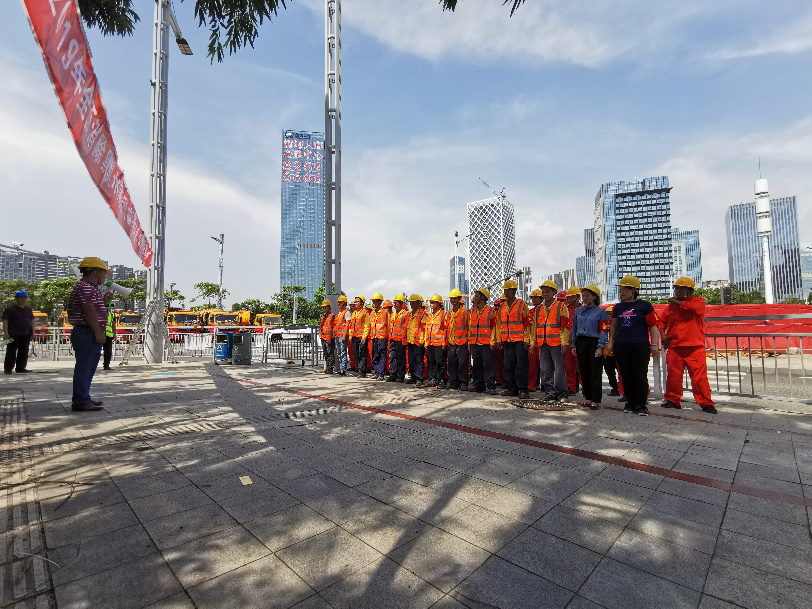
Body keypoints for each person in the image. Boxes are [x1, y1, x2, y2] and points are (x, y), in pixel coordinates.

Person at [660, 277, 717, 414]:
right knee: (673, 376)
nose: (678, 291)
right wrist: (663, 335)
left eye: (682, 288)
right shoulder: (669, 307)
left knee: (699, 378)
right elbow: (661, 322)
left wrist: (674, 301)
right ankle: (672, 400)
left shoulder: (698, 302)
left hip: (694, 348)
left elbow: (691, 308)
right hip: (675, 347)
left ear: (690, 291)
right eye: (676, 288)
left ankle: (706, 403)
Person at [606, 275, 660, 416]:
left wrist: (654, 344)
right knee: (626, 375)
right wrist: (611, 342)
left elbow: (653, 325)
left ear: (634, 290)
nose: (621, 292)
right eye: (620, 290)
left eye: (625, 289)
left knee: (639, 375)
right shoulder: (618, 307)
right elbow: (613, 325)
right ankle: (630, 402)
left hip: (639, 345)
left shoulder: (645, 306)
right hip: (621, 345)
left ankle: (641, 404)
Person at [66, 257, 112, 411]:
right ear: (96, 272)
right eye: (104, 273)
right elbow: (89, 310)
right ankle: (80, 401)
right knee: (85, 367)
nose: (105, 276)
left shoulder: (89, 288)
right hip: (87, 331)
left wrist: (104, 301)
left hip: (87, 331)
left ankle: (84, 397)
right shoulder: (86, 287)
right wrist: (98, 332)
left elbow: (93, 308)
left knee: (88, 368)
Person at [531, 280, 570, 402]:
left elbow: (565, 326)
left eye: (547, 291)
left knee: (559, 369)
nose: (545, 294)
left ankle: (562, 392)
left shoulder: (561, 307)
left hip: (557, 343)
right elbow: (534, 327)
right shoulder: (539, 309)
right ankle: (550, 392)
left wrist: (564, 342)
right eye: (543, 292)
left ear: (554, 292)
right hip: (543, 343)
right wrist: (532, 342)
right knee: (545, 369)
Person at [570, 285, 608, 410]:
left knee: (595, 371)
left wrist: (601, 346)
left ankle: (595, 399)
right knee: (584, 371)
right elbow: (574, 328)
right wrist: (573, 344)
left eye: (587, 296)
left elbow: (603, 330)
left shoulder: (601, 312)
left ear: (594, 297)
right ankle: (588, 398)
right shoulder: (578, 311)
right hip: (581, 342)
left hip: (594, 342)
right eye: (583, 296)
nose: (584, 298)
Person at [499, 280, 531, 399]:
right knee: (508, 365)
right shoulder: (502, 307)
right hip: (507, 341)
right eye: (505, 290)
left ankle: (523, 389)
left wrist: (527, 339)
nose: (506, 293)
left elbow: (527, 324)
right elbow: (499, 324)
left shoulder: (522, 305)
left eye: (508, 290)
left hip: (520, 340)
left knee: (521, 366)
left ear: (514, 291)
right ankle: (512, 388)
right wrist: (499, 339)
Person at [469, 288, 498, 394]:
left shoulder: (491, 310)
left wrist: (493, 341)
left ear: (482, 298)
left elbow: (495, 327)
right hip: (475, 342)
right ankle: (479, 385)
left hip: (486, 342)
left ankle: (491, 386)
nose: (474, 298)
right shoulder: (473, 311)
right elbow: (470, 328)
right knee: (476, 365)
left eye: (476, 296)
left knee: (489, 365)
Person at [2, 290, 35, 375]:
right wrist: (6, 333)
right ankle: (8, 368)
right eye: (21, 298)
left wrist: (33, 333)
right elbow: (5, 321)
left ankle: (20, 368)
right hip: (13, 334)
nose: (23, 300)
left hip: (26, 334)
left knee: (24, 351)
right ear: (16, 299)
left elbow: (32, 321)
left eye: (25, 298)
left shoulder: (28, 310)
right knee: (11, 351)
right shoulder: (10, 309)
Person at [446, 288, 470, 390]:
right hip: (452, 342)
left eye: (454, 298)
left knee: (462, 363)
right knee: (451, 363)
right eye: (451, 298)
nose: (452, 301)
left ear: (459, 299)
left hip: (462, 342)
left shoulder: (465, 312)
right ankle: (453, 382)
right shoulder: (449, 313)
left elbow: (469, 327)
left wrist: (469, 341)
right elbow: (447, 328)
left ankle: (463, 382)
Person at [424, 294, 448, 388]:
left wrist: (444, 342)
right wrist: (426, 342)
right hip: (430, 343)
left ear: (438, 304)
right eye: (430, 302)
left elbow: (445, 329)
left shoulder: (443, 315)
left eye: (433, 302)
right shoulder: (430, 316)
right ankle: (432, 379)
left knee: (440, 362)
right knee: (431, 362)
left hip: (439, 343)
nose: (431, 304)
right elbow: (427, 329)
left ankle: (442, 380)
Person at [404, 294, 427, 387]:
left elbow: (424, 328)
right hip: (410, 340)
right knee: (411, 360)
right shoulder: (409, 314)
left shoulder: (422, 314)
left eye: (413, 303)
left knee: (418, 360)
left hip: (418, 341)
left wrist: (422, 340)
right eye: (411, 303)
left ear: (418, 303)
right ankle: (413, 376)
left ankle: (419, 378)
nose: (411, 305)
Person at [564, 286, 582, 395]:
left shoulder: (583, 310)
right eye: (568, 297)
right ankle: (571, 387)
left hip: (581, 341)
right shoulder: (565, 310)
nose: (569, 299)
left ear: (578, 297)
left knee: (582, 365)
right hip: (568, 341)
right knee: (569, 365)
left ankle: (585, 387)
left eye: (572, 297)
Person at [387, 294, 409, 382]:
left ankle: (400, 375)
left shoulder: (405, 314)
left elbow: (405, 328)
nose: (394, 304)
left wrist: (404, 338)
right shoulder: (393, 314)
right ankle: (393, 374)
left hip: (400, 340)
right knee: (392, 357)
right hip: (393, 339)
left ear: (401, 303)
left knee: (400, 358)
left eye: (396, 303)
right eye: (394, 302)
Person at [369, 293, 390, 380]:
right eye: (373, 301)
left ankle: (381, 373)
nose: (373, 303)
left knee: (382, 355)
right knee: (375, 355)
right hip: (374, 337)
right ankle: (377, 372)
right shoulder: (372, 313)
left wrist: (388, 337)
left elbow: (388, 325)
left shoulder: (385, 312)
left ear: (379, 302)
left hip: (382, 337)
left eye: (374, 301)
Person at [349, 296, 370, 378]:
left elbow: (367, 326)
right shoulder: (354, 313)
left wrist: (364, 337)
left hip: (361, 337)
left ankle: (362, 371)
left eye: (357, 301)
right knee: (356, 354)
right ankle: (359, 369)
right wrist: (350, 335)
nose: (355, 303)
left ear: (362, 303)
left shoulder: (365, 313)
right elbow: (351, 325)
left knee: (362, 354)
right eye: (355, 301)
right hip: (354, 337)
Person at [527, 289, 543, 392]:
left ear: (541, 299)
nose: (533, 300)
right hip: (533, 342)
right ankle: (532, 385)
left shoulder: (544, 311)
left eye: (536, 298)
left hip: (542, 342)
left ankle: (545, 385)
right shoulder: (531, 312)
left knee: (545, 367)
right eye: (532, 298)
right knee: (532, 366)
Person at [332, 295, 350, 375]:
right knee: (339, 353)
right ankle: (341, 368)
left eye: (340, 302)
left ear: (344, 303)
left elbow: (347, 325)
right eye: (338, 302)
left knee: (343, 352)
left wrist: (344, 336)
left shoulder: (347, 313)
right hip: (338, 336)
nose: (338, 304)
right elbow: (336, 325)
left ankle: (343, 369)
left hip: (343, 336)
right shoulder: (338, 314)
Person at [318, 299, 335, 374]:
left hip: (329, 338)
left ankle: (330, 368)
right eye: (323, 307)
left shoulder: (332, 316)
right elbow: (321, 326)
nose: (324, 309)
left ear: (329, 307)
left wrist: (330, 338)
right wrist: (320, 334)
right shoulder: (323, 317)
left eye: (325, 307)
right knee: (326, 354)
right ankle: (327, 368)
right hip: (323, 338)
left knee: (330, 353)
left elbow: (332, 328)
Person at [102, 304, 116, 371]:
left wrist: (114, 334)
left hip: (108, 335)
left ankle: (106, 365)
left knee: (108, 352)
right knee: (95, 351)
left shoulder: (111, 315)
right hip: (100, 334)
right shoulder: (98, 314)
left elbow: (113, 325)